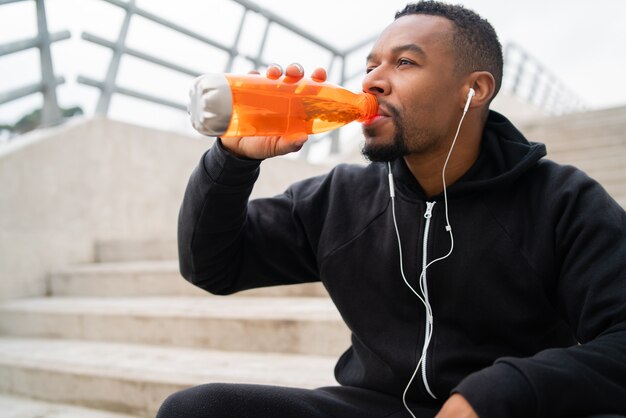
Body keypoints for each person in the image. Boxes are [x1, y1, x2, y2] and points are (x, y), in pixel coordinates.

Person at [157, 1, 626, 417]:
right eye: (370, 65)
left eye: (404, 62)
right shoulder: (340, 197)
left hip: (507, 409)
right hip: (376, 406)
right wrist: (233, 159)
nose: (372, 81)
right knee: (196, 409)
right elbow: (212, 266)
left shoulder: (562, 200)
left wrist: (501, 391)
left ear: (475, 89)